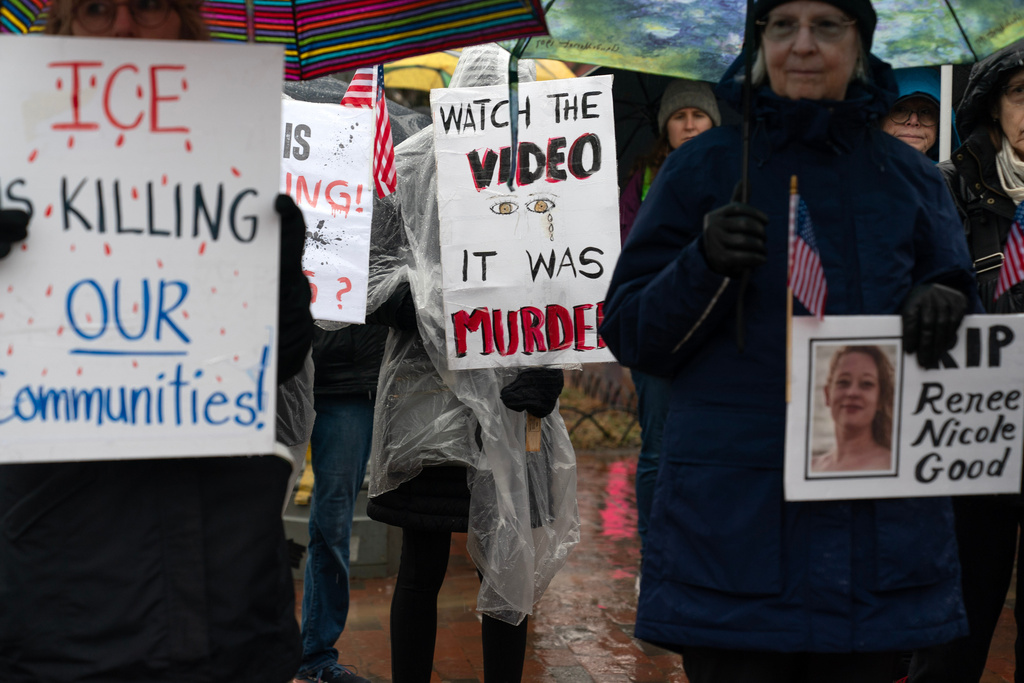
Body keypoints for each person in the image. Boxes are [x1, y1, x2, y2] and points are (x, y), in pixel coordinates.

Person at [599, 0, 976, 679]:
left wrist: (945, 305)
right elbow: (632, 332)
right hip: (732, 545)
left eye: (827, 25)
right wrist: (701, 264)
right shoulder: (700, 170)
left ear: (860, 41)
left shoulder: (913, 178)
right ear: (759, 41)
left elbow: (958, 305)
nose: (803, 44)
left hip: (876, 545)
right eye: (783, 25)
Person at [0, 2, 313, 681]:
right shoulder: (9, 159)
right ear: (61, 26)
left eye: (146, 8)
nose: (119, 31)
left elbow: (279, 361)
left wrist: (278, 260)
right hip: (64, 588)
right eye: (95, 10)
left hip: (223, 578)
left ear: (185, 25)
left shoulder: (228, 169)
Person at [363, 44, 580, 683]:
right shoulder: (412, 162)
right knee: (421, 561)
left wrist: (552, 369)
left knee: (507, 559)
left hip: (516, 397)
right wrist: (432, 308)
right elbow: (375, 282)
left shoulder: (548, 165)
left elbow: (566, 279)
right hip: (428, 396)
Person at [909, 38, 1024, 683]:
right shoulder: (947, 187)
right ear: (991, 108)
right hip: (972, 437)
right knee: (954, 628)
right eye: (1020, 92)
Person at [618, 79, 720, 558]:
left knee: (709, 440)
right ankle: (654, 548)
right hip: (655, 324)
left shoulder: (733, 172)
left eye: (698, 115)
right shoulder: (642, 177)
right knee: (657, 443)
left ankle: (699, 543)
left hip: (714, 328)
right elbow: (624, 250)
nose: (690, 124)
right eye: (680, 117)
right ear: (666, 126)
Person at [811, 346, 894, 473]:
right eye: (843, 382)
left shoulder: (893, 465)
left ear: (881, 399)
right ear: (827, 395)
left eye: (866, 383)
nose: (852, 392)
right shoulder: (811, 467)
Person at [882, 67, 942, 157]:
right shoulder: (855, 170)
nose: (913, 121)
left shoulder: (958, 170)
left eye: (925, 112)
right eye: (900, 110)